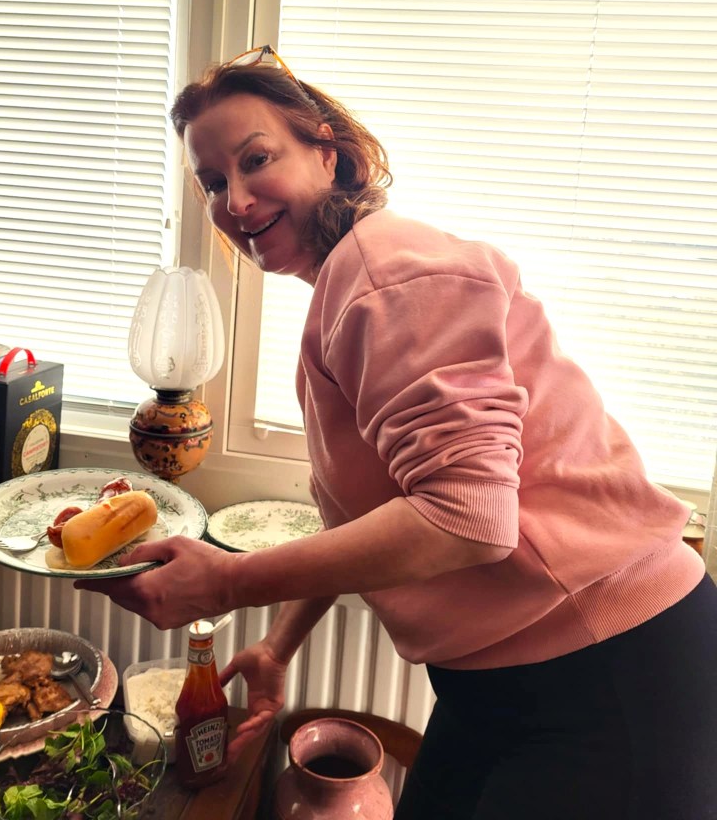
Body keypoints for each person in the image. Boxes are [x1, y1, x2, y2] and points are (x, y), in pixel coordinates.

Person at [77, 46, 717, 819]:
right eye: (214, 182)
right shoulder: (353, 283)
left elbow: (469, 518)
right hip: (507, 679)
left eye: (257, 159)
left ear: (328, 151)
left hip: (610, 671)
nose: (236, 200)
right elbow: (382, 515)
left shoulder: (386, 273)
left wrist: (227, 581)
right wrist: (279, 645)